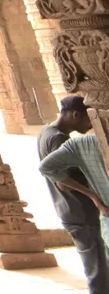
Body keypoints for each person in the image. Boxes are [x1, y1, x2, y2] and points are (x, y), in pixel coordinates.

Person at [39, 95, 109, 292]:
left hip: (69, 210)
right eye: (89, 120)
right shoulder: (60, 139)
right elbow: (62, 181)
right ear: (76, 114)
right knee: (98, 271)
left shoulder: (46, 131)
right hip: (80, 211)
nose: (89, 125)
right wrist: (94, 195)